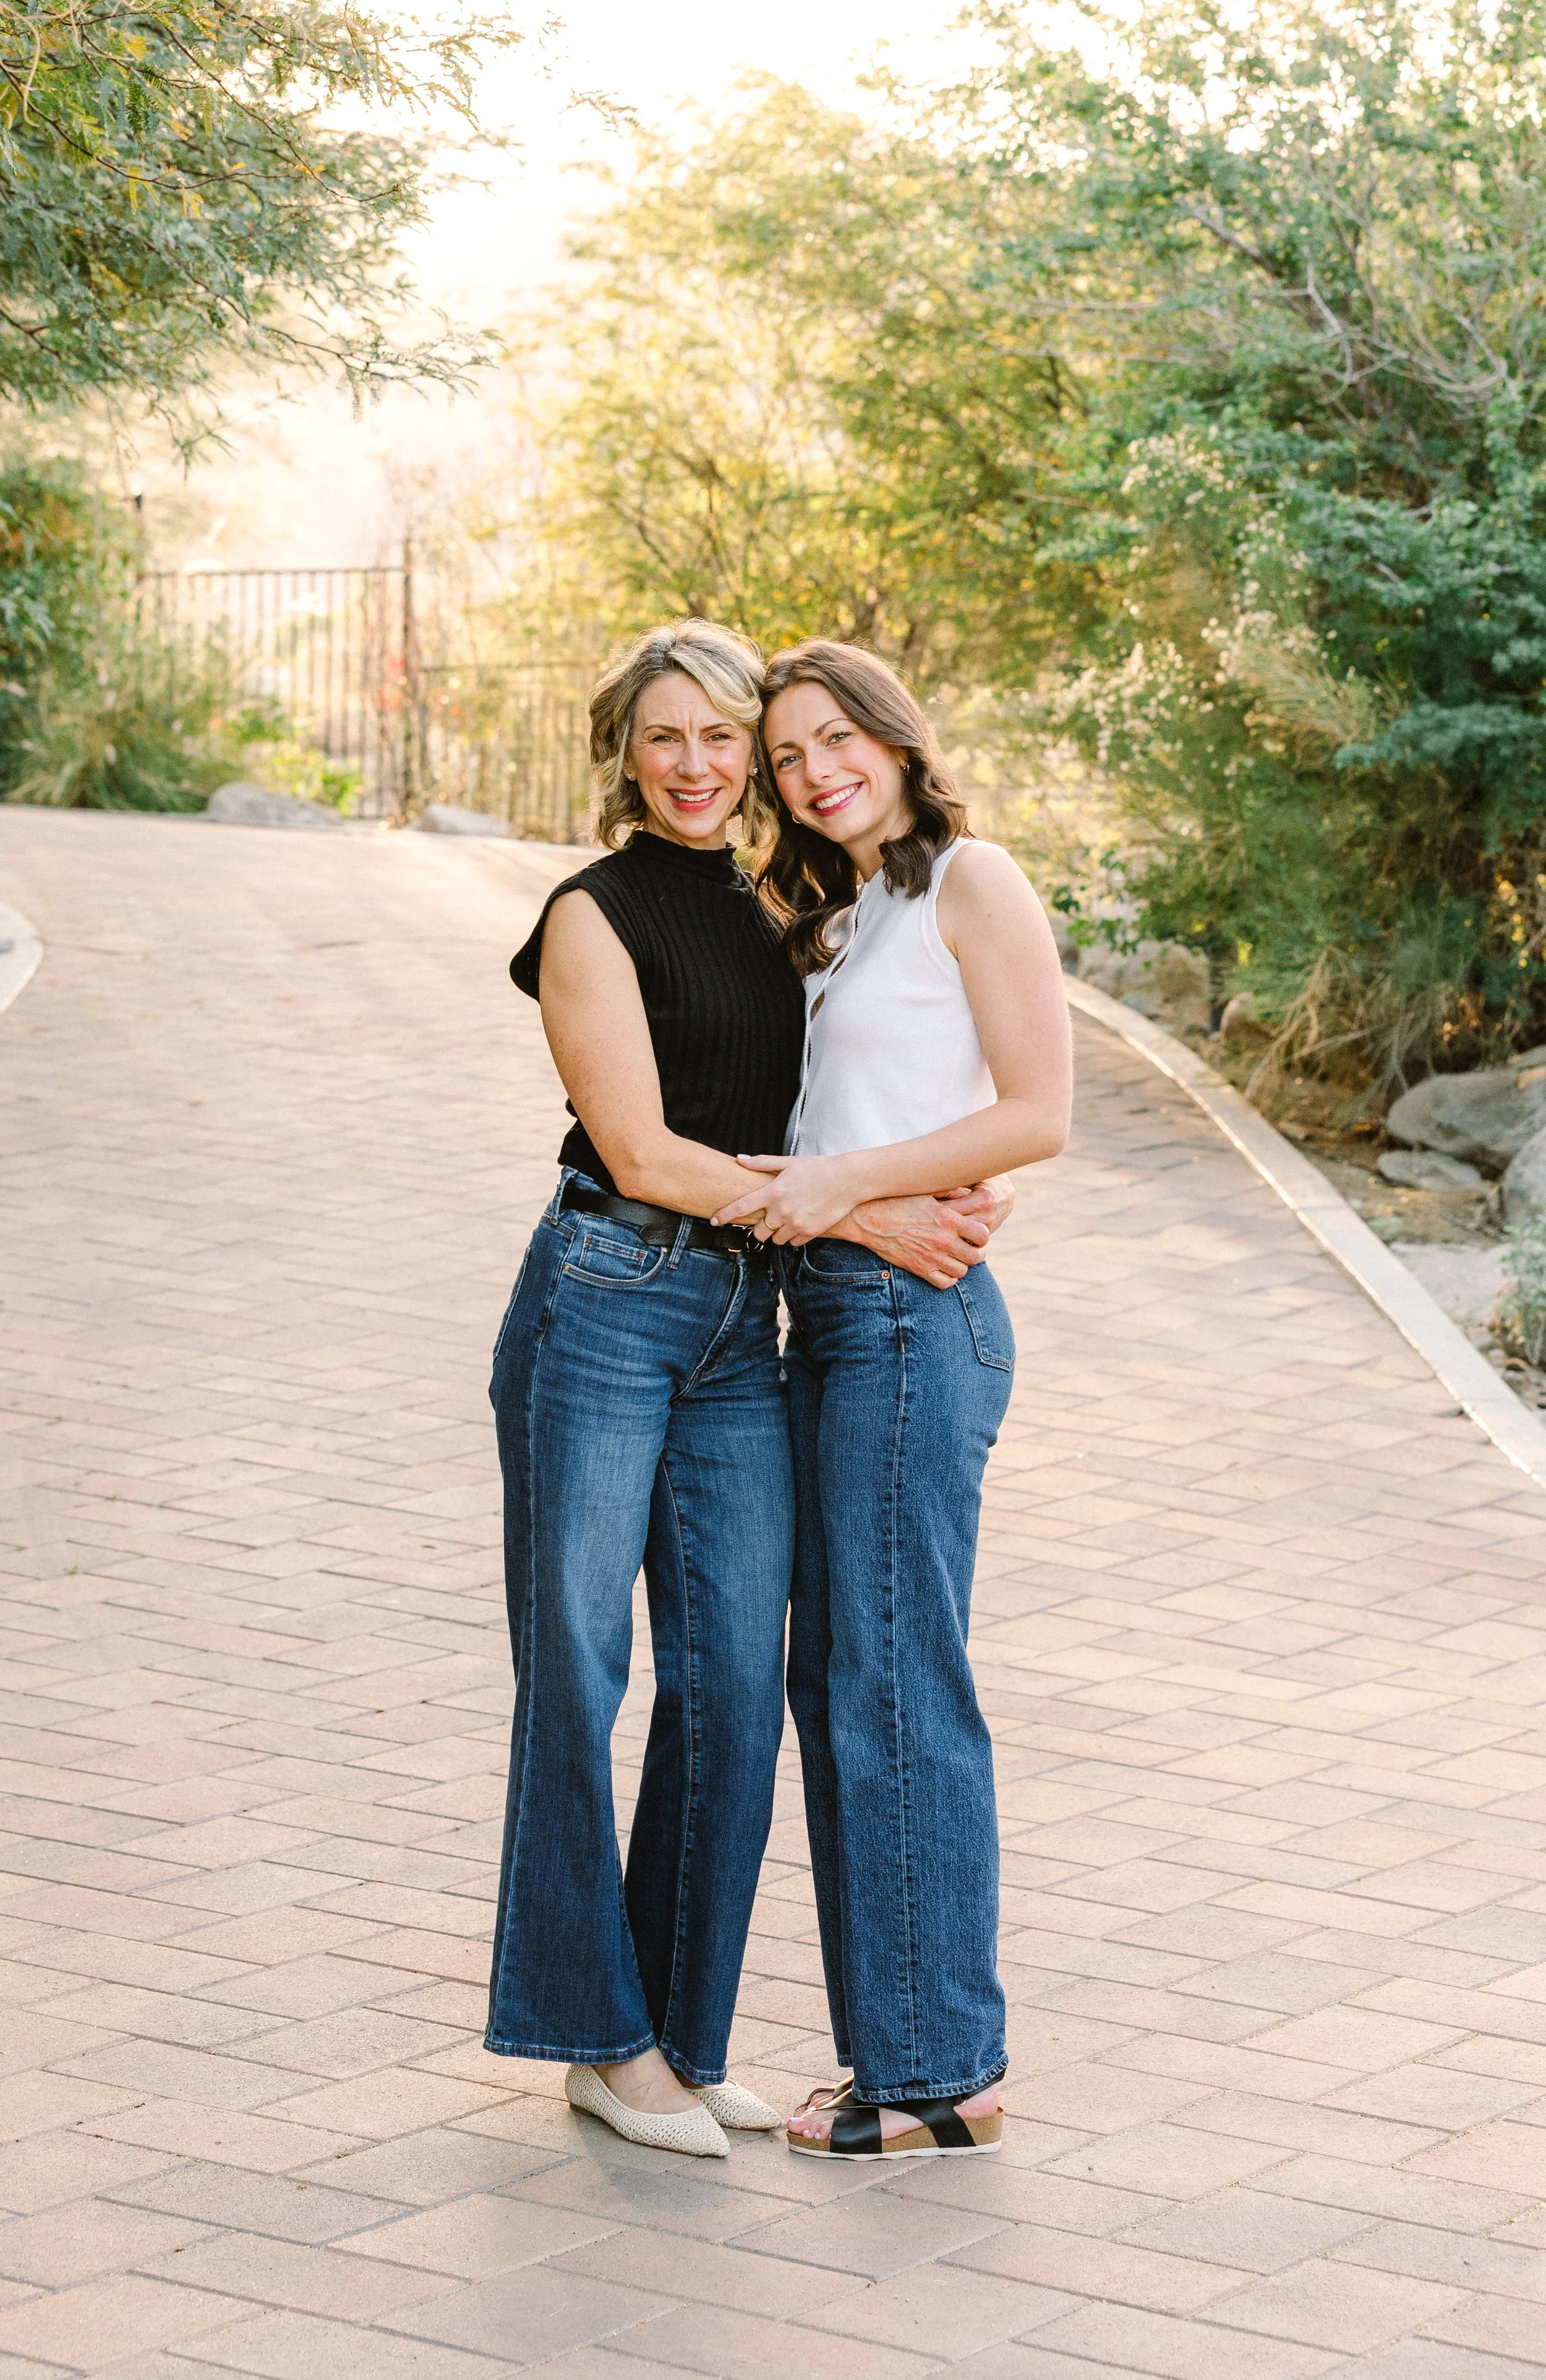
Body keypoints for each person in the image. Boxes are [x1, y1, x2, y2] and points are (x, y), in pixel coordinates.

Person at [484, 619, 1009, 2159]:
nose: (705, 765)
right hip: (604, 1301)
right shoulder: (588, 912)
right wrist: (863, 1210)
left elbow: (897, 1078)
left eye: (730, 739)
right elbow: (644, 1153)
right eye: (669, 738)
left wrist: (953, 1182)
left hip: (741, 1322)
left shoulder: (796, 904)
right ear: (623, 755)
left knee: (727, 1684)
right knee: (579, 1673)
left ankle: (682, 2034)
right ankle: (594, 2034)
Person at [714, 639, 1073, 2161]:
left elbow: (1036, 1110)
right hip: (843, 1311)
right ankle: (900, 2051)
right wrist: (836, 1196)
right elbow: (836, 1138)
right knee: (841, 1687)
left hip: (915, 1324)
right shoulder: (852, 917)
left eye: (832, 736)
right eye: (787, 758)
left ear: (894, 732)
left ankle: (937, 2072)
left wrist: (847, 1186)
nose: (813, 771)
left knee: (892, 1687)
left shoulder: (972, 878)